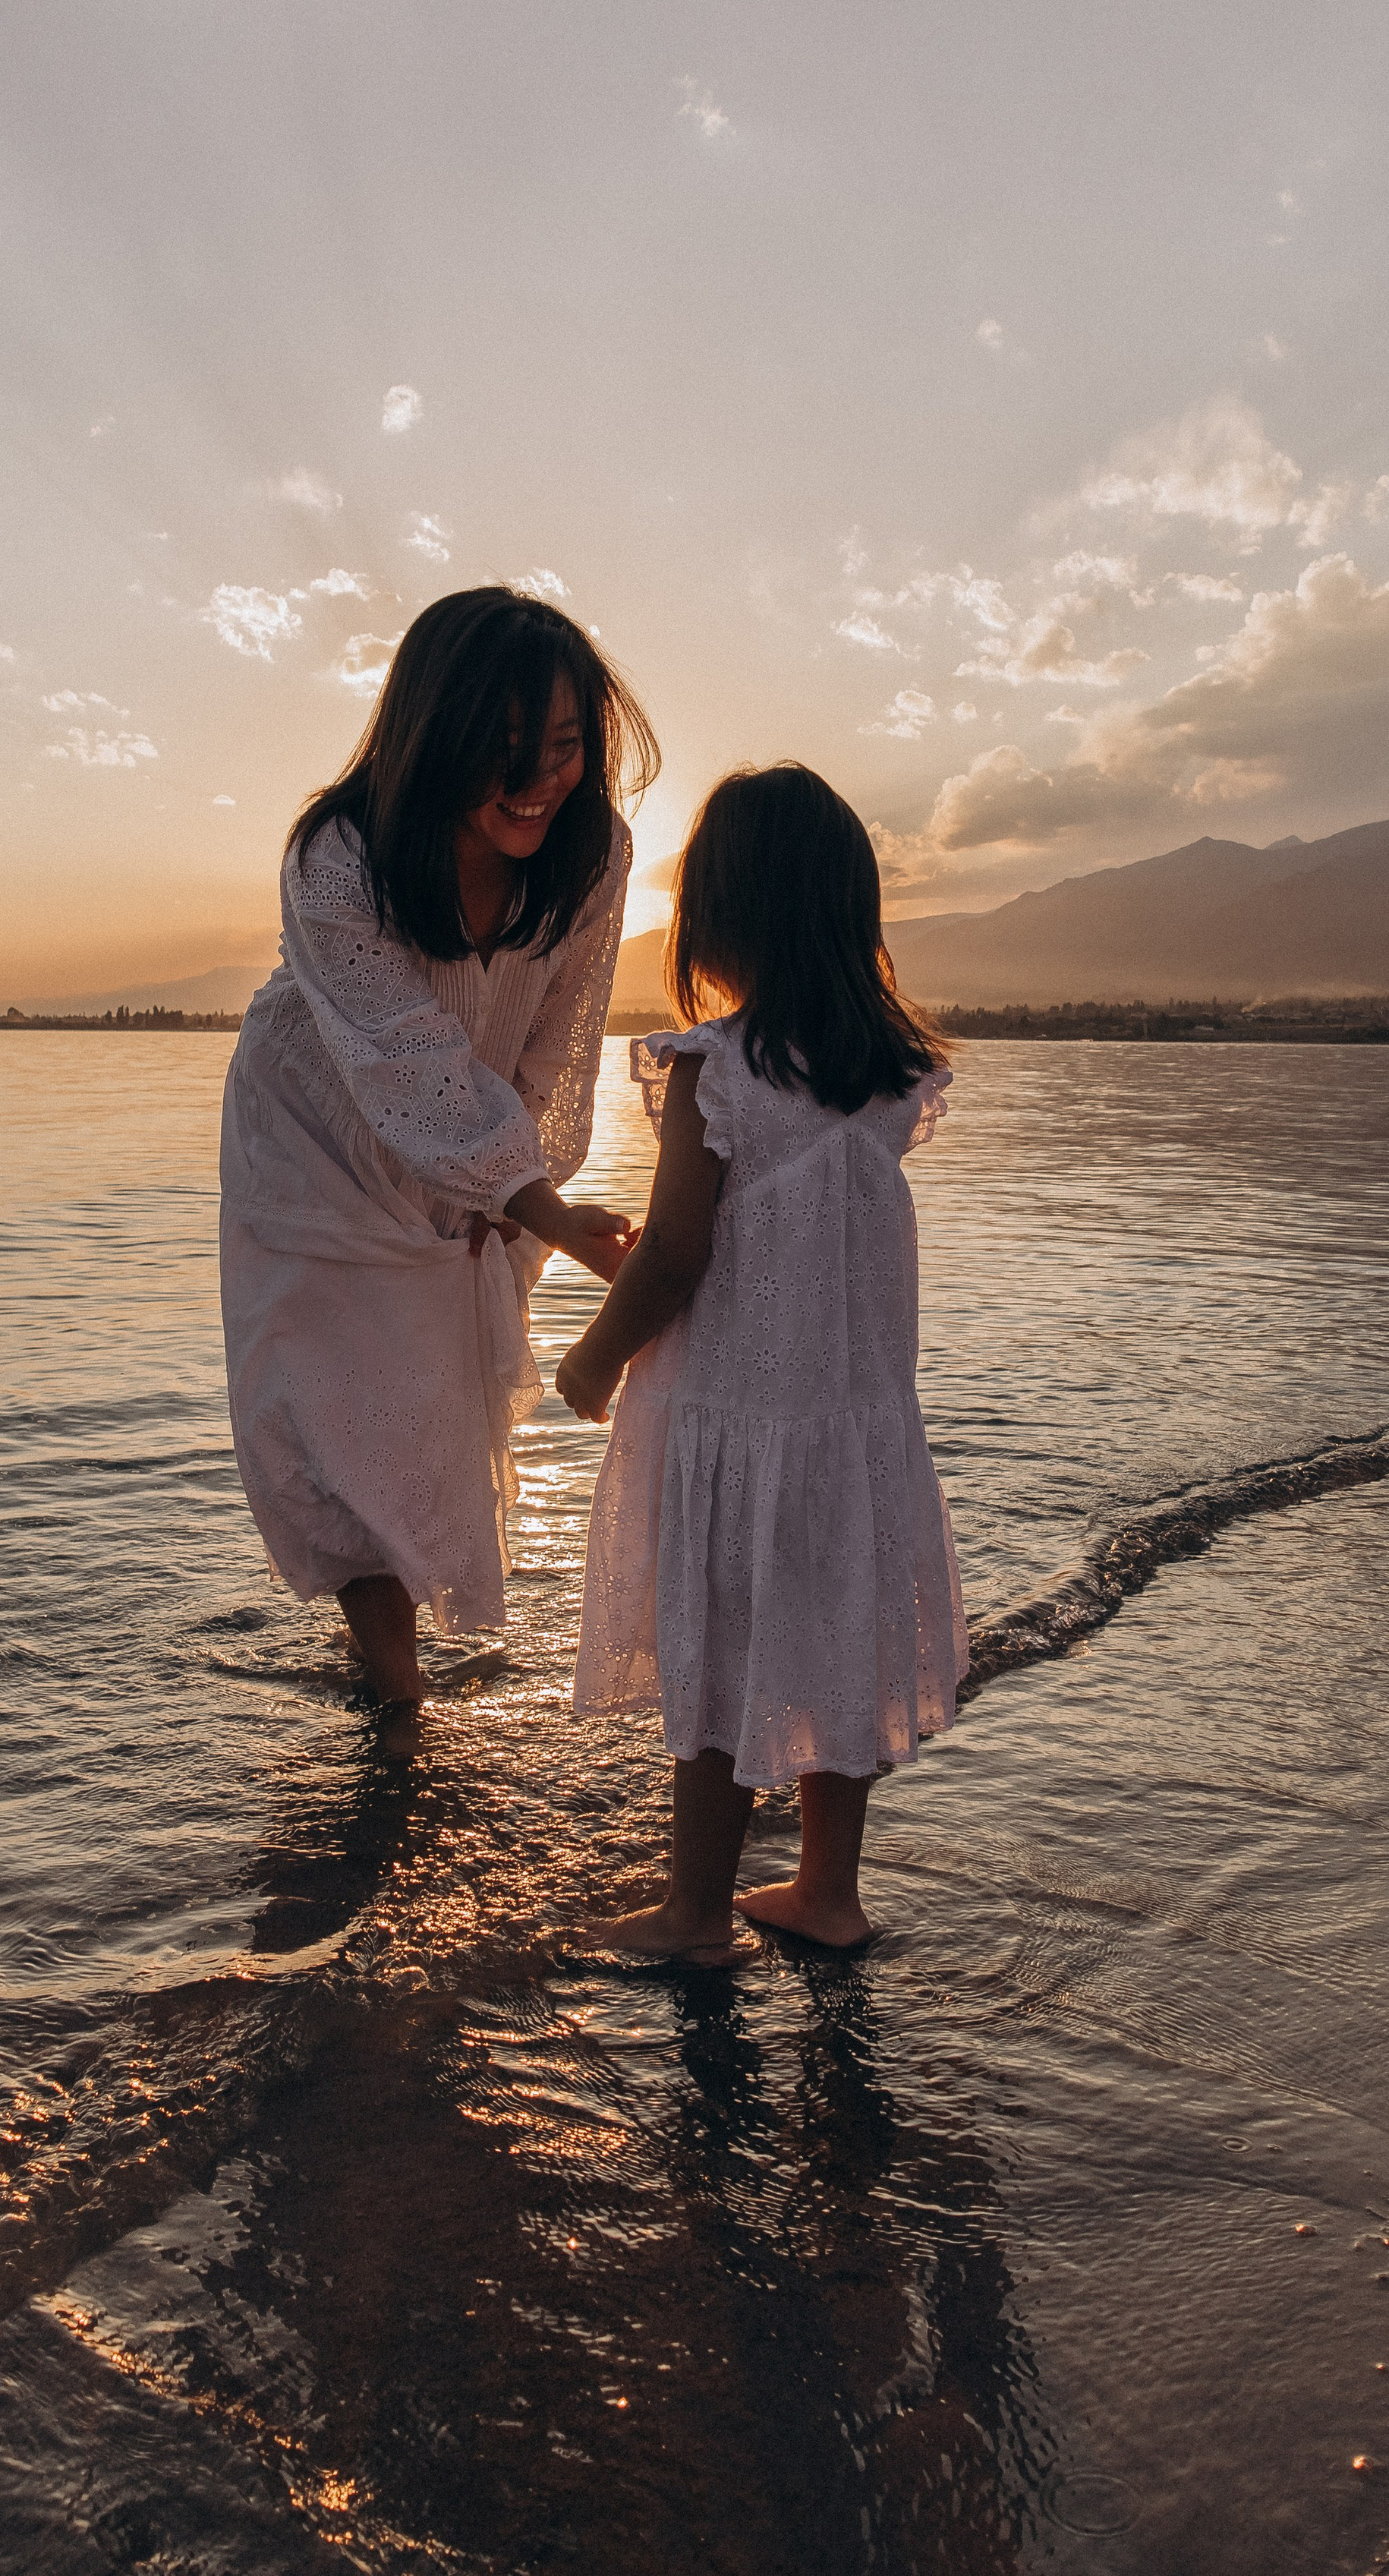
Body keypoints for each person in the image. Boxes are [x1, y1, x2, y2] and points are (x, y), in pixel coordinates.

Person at [220, 585, 658, 1736]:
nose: (537, 781)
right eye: (503, 751)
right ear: (434, 737)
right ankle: (400, 1702)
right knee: (341, 1402)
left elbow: (564, 1032)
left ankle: (397, 1688)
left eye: (564, 748)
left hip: (487, 1131)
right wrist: (542, 1206)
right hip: (317, 1134)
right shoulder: (338, 859)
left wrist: (516, 1189)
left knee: (441, 1404)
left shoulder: (594, 852)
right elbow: (403, 1057)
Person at [557, 762, 967, 1960]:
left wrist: (590, 1360)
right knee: (839, 1629)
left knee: (721, 1648)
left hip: (738, 1407)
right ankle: (827, 1895)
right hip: (851, 1425)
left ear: (722, 916)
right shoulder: (889, 1074)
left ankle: (694, 1913)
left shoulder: (716, 1068)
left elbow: (679, 1252)